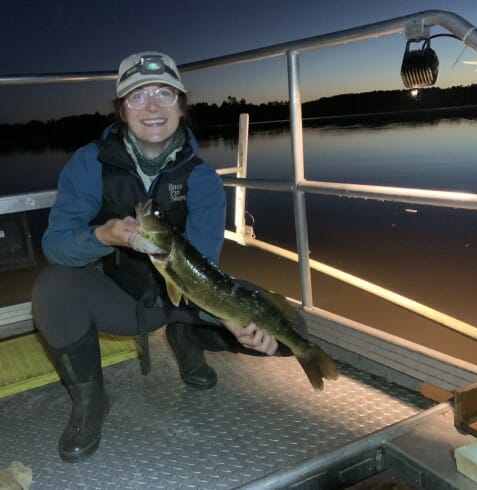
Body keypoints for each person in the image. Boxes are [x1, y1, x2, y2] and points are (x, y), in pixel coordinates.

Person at [31, 51, 289, 463]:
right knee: (52, 287)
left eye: (165, 94)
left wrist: (234, 322)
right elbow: (54, 244)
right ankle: (90, 401)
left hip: (186, 297)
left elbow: (206, 269)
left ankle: (185, 337)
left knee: (289, 331)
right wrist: (102, 235)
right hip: (124, 301)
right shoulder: (89, 163)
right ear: (121, 110)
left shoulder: (202, 178)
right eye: (137, 97)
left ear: (182, 107)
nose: (152, 107)